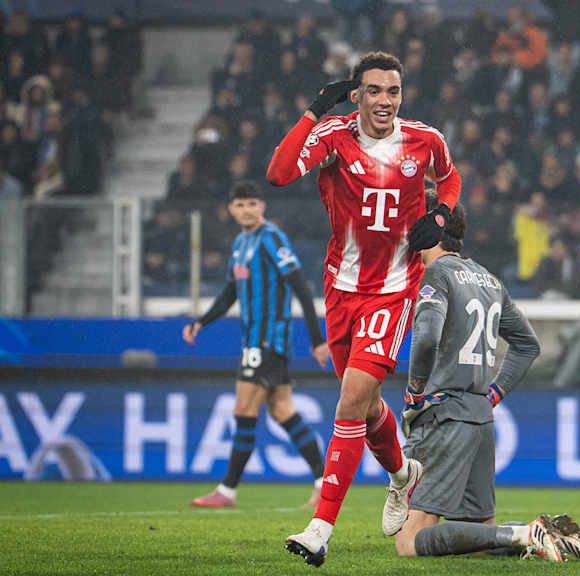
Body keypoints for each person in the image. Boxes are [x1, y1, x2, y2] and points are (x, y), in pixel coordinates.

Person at [265, 51, 462, 566]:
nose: (384, 101)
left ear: (401, 95)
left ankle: (319, 527)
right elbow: (279, 173)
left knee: (351, 401)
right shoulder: (333, 137)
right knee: (368, 407)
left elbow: (452, 177)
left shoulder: (425, 140)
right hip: (340, 290)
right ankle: (403, 475)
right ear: (357, 94)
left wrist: (440, 214)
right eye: (374, 90)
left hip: (395, 290)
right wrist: (313, 112)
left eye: (392, 91)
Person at [393, 192, 580, 563]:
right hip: (480, 418)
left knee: (411, 540)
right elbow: (528, 345)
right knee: (479, 540)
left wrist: (415, 392)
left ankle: (526, 532)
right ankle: (550, 541)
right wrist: (492, 393)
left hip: (444, 414)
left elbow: (427, 336)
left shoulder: (436, 274)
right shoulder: (488, 279)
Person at [183, 181, 330, 508]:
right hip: (253, 339)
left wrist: (318, 340)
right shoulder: (240, 243)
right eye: (240, 205)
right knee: (282, 410)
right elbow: (229, 293)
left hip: (267, 339)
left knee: (243, 409)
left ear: (262, 206)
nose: (247, 210)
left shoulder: (272, 238)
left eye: (252, 203)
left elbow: (301, 288)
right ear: (231, 209)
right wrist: (201, 322)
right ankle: (324, 483)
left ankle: (227, 491)